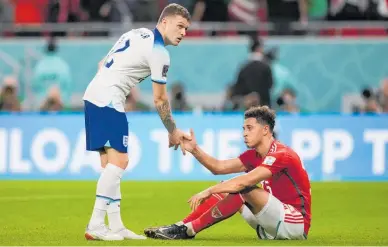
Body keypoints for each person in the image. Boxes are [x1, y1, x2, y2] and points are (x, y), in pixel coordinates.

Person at [82, 3, 192, 241]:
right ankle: (96, 224)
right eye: (180, 26)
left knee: (110, 164)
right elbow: (160, 98)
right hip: (109, 100)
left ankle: (117, 225)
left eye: (186, 29)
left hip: (93, 95)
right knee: (120, 161)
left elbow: (103, 64)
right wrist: (173, 131)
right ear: (164, 22)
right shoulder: (160, 52)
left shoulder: (136, 33)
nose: (183, 32)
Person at [145, 106, 311, 240]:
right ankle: (180, 226)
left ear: (266, 130)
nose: (244, 133)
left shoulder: (281, 154)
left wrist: (208, 191)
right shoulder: (254, 155)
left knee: (241, 188)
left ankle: (188, 231)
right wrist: (194, 149)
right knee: (226, 187)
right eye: (243, 128)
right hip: (271, 223)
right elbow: (218, 167)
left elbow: (241, 183)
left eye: (250, 128)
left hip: (295, 224)